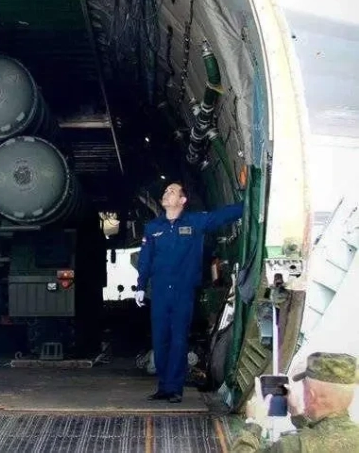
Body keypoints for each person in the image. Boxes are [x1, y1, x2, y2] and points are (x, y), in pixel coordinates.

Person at [135, 182, 243, 402]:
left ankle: (175, 388)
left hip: (183, 292)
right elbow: (145, 259)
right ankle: (163, 386)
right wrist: (140, 285)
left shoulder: (194, 222)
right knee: (160, 340)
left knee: (178, 340)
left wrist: (248, 203)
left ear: (182, 200)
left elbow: (220, 216)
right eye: (166, 190)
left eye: (172, 191)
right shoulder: (153, 227)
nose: (166, 193)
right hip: (160, 292)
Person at [231, 352, 359, 452]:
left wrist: (254, 423)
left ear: (311, 396)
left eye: (305, 389)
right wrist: (297, 414)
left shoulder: (291, 446)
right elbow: (323, 439)